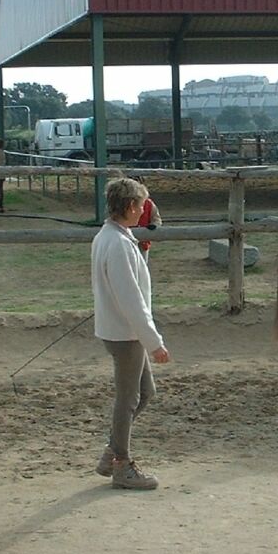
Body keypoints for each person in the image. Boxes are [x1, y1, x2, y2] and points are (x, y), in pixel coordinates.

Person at [91, 177, 170, 490]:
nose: (143, 211)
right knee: (128, 399)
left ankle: (111, 452)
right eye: (140, 205)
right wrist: (155, 343)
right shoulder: (119, 243)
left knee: (145, 393)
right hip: (125, 333)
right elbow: (132, 300)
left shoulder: (111, 236)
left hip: (122, 330)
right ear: (128, 207)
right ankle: (121, 464)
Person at [136, 195, 162, 262]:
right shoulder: (123, 203)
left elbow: (156, 219)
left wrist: (154, 226)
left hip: (143, 244)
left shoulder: (149, 203)